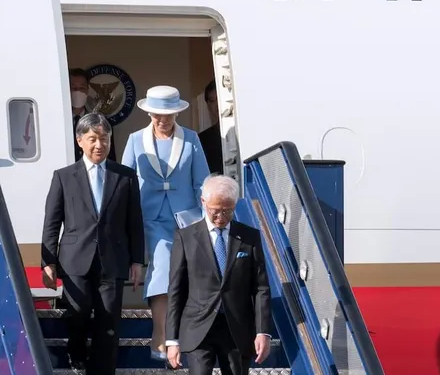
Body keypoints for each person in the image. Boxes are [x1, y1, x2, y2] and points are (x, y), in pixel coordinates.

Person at [40, 112, 145, 374]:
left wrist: (136, 260)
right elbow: (52, 222)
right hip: (75, 259)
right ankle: (76, 354)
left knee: (109, 320)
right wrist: (48, 262)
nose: (100, 145)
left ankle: (103, 369)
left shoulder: (125, 176)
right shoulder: (64, 176)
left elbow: (135, 221)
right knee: (79, 311)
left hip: (113, 259)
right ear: (80, 141)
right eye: (93, 139)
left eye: (105, 139)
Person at [121, 85, 210, 362]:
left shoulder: (191, 139)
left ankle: (179, 334)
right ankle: (159, 334)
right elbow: (125, 182)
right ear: (149, 113)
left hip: (186, 218)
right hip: (150, 218)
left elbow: (202, 181)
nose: (163, 120)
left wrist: (207, 218)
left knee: (184, 275)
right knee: (162, 268)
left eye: (169, 114)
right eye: (158, 114)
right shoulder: (136, 140)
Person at [166, 174, 272, 374]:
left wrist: (262, 331)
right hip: (198, 326)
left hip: (237, 328)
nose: (221, 218)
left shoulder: (249, 237)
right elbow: (176, 290)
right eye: (215, 211)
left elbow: (260, 287)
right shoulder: (185, 237)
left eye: (228, 211)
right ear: (203, 201)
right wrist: (172, 339)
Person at [69, 68, 117, 162]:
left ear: (87, 90)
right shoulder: (58, 122)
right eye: (73, 88)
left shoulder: (101, 121)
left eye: (82, 88)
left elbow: (110, 158)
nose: (77, 92)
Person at [197, 80, 223, 174]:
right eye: (212, 101)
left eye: (219, 98)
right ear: (208, 105)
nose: (217, 104)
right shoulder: (201, 140)